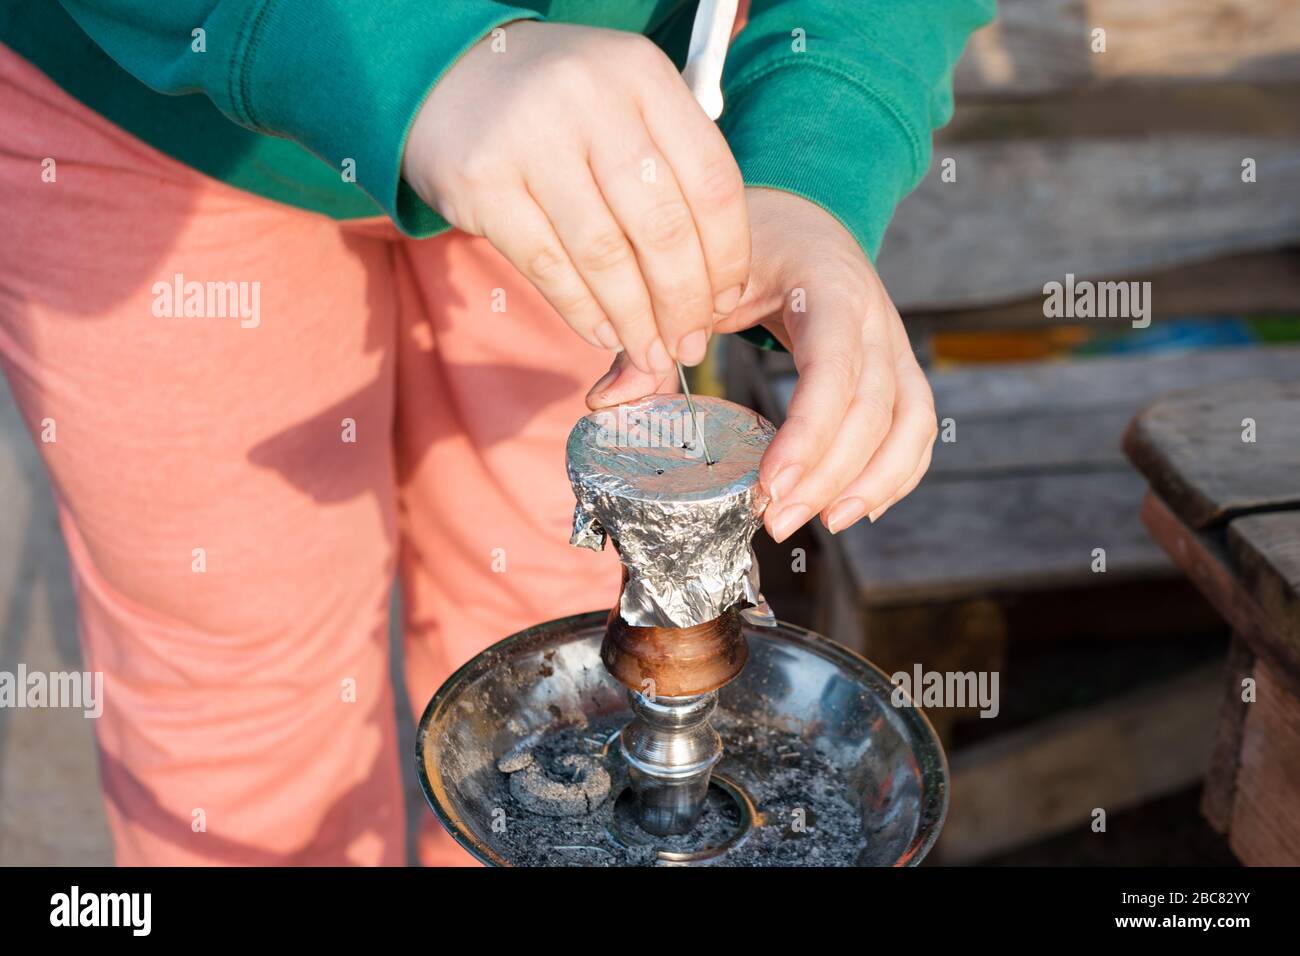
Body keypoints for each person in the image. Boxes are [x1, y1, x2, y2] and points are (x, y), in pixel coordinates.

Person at [0, 0, 994, 865]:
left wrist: (816, 155)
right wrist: (411, 53)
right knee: (232, 698)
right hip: (150, 104)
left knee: (554, 666)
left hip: (601, 151)